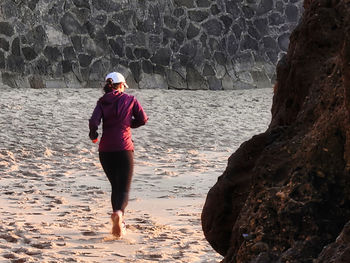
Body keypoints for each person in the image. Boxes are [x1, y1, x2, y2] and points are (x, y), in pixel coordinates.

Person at [89, 72, 148, 237]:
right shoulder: (130, 100)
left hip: (105, 151)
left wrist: (93, 135)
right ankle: (119, 215)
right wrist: (129, 124)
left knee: (116, 186)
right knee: (123, 189)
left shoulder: (102, 101)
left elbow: (94, 122)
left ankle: (118, 218)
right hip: (124, 149)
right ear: (121, 85)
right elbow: (143, 119)